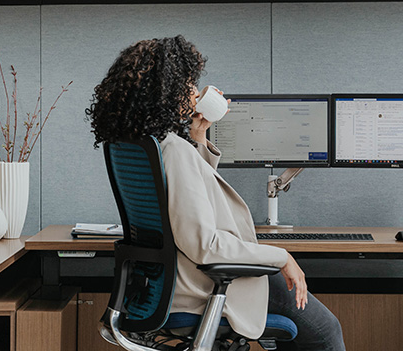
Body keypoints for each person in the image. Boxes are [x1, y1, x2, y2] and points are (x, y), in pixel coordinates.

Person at [87, 36, 345, 350]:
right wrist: (281, 257)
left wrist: (197, 134)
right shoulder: (174, 151)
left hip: (168, 287)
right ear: (166, 90)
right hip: (207, 285)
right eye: (188, 84)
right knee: (325, 332)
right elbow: (205, 245)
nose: (196, 92)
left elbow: (187, 192)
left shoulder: (150, 144)